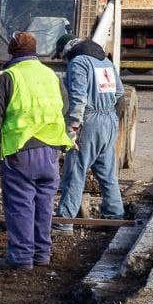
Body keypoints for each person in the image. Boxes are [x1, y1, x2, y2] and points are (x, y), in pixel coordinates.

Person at [0, 31, 74, 269]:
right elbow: (65, 109)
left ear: (12, 52)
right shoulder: (51, 76)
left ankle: (21, 257)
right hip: (51, 150)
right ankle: (42, 254)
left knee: (21, 205)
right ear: (35, 51)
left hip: (19, 151)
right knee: (44, 204)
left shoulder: (8, 78)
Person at [55, 39, 125, 232]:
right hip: (109, 120)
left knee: (75, 173)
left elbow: (78, 99)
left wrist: (73, 129)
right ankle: (115, 217)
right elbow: (119, 92)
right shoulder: (106, 62)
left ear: (68, 52)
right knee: (107, 173)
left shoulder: (78, 63)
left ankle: (64, 222)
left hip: (90, 121)